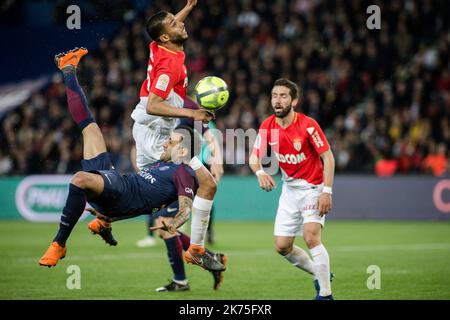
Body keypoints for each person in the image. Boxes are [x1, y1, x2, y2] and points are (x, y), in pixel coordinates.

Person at [38, 48, 225, 277]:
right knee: (90, 128)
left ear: (184, 149)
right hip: (117, 188)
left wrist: (175, 223)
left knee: (79, 179)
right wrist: (110, 218)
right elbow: (143, 203)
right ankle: (68, 69)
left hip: (118, 191)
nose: (166, 143)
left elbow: (186, 208)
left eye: (172, 141)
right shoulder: (159, 165)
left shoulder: (184, 172)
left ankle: (59, 243)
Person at [130, 0, 226, 291]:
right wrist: (192, 113)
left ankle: (188, 270)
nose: (180, 22)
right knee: (166, 217)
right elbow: (157, 104)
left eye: (177, 19)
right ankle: (202, 255)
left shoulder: (161, 46)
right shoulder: (169, 64)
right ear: (165, 38)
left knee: (164, 223)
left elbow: (167, 28)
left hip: (155, 132)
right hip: (154, 135)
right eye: (174, 23)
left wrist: (188, 7)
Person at [249, 79, 335, 300]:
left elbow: (328, 157)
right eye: (274, 95)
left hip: (313, 188)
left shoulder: (308, 125)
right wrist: (260, 173)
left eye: (283, 96)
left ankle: (325, 294)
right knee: (282, 246)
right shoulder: (268, 125)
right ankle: (321, 272)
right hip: (289, 190)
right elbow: (254, 158)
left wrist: (327, 191)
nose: (277, 100)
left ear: (294, 100)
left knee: (311, 237)